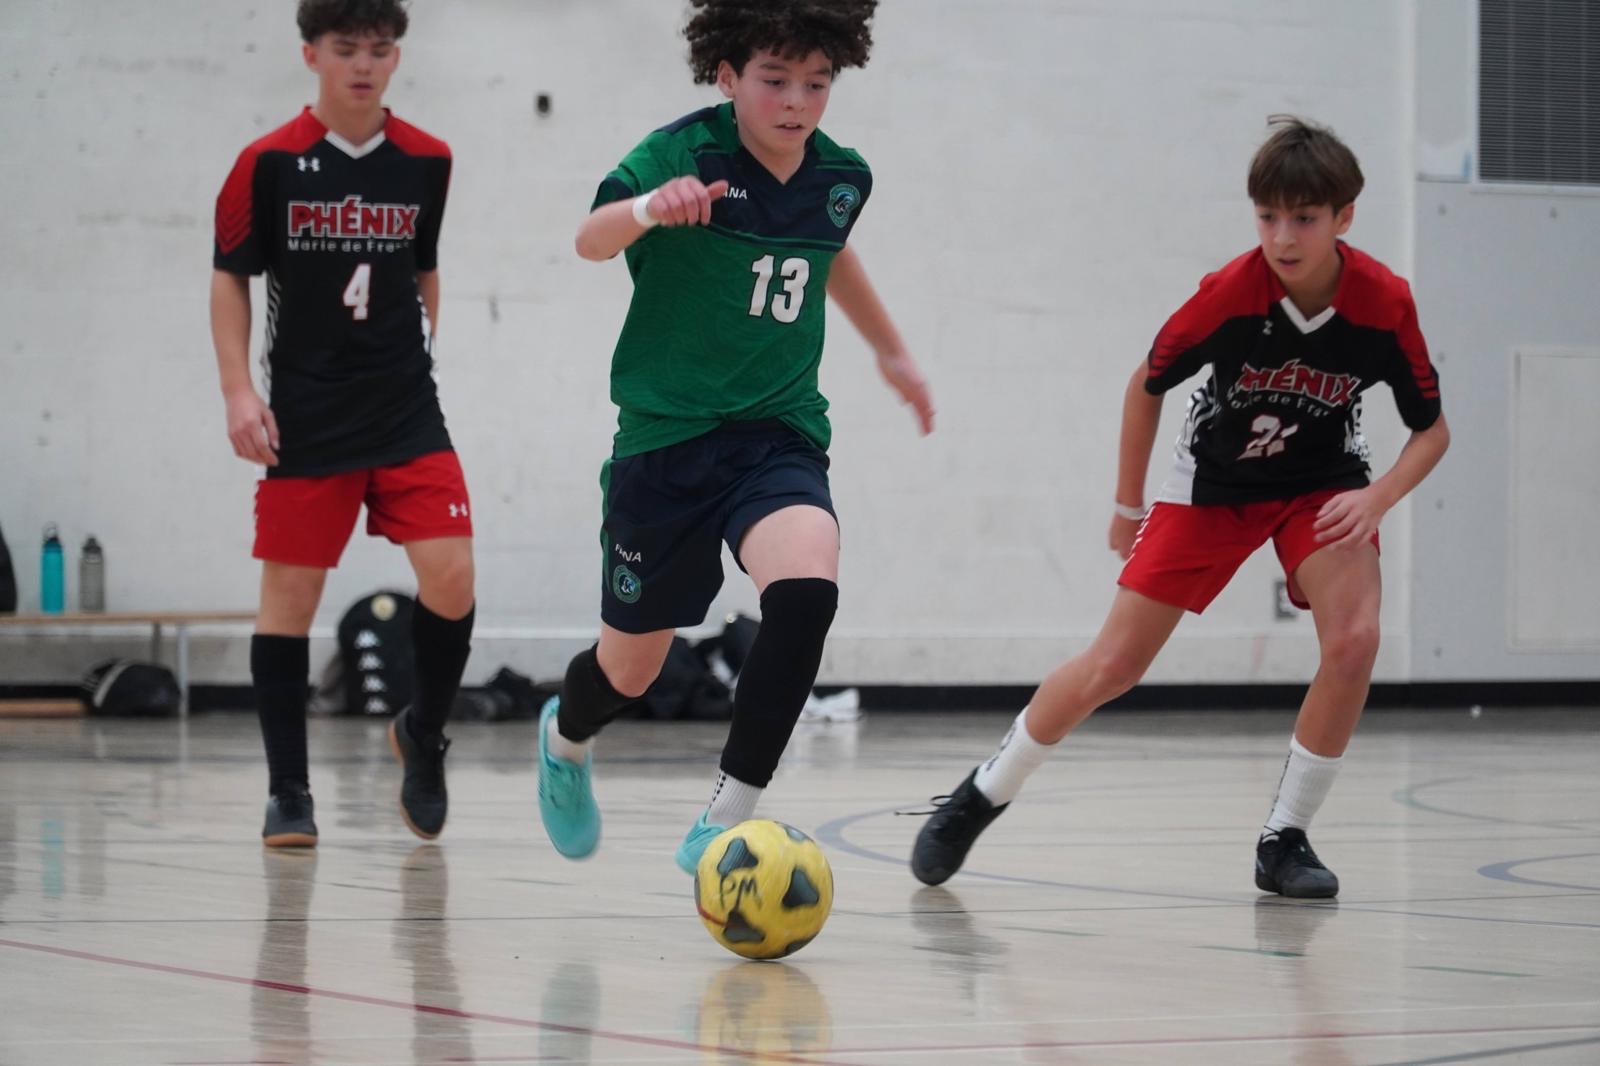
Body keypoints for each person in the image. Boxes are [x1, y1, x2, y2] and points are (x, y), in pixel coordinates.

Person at [910, 116, 1449, 898]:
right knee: (1114, 666)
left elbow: (1431, 432)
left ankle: (1285, 838)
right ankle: (984, 791)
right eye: (1268, 217)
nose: (1283, 237)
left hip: (1322, 482)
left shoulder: (1384, 303)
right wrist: (1127, 504)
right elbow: (1146, 384)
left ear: (1345, 218)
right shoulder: (1229, 296)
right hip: (1213, 483)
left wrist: (1377, 497)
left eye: (1304, 218)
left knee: (1356, 640)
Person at [538, 0, 934, 873]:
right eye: (775, 80)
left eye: (816, 84)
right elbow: (588, 240)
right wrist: (649, 206)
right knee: (629, 672)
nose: (796, 101)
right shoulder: (683, 154)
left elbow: (829, 252)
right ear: (727, 75)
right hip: (666, 443)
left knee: (805, 591)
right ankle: (565, 741)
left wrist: (893, 352)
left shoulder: (842, 176)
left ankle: (723, 818)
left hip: (776, 434)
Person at [211, 0, 474, 848]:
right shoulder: (264, 165)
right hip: (308, 413)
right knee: (289, 601)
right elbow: (231, 279)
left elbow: (424, 264)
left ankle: (423, 735)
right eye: (346, 49)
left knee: (453, 576)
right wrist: (238, 394)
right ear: (311, 54)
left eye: (380, 49)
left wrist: (427, 341)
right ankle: (289, 793)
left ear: (396, 57)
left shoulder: (428, 160)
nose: (364, 63)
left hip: (404, 408)